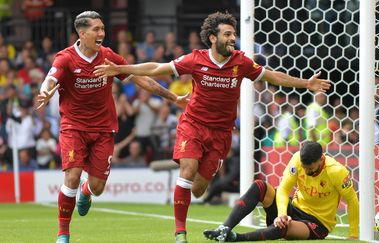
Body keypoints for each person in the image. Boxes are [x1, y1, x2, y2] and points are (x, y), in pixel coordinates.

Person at [93, 11, 331, 243]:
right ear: (213, 37)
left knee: (198, 189)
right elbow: (158, 68)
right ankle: (180, 233)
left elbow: (272, 77)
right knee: (187, 171)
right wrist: (122, 69)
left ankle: (191, 187)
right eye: (227, 34)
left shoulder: (241, 62)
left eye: (233, 34)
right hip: (193, 124)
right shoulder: (195, 59)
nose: (232, 38)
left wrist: (305, 83)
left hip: (221, 133)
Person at [36, 11, 188, 243]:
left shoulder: (108, 57)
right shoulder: (65, 58)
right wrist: (44, 92)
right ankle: (63, 234)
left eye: (103, 29)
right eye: (96, 29)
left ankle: (87, 192)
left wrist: (173, 98)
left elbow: (141, 78)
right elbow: (50, 80)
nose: (102, 34)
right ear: (82, 33)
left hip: (103, 129)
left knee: (97, 187)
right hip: (73, 127)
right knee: (72, 176)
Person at [203, 141, 359, 241]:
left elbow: (352, 201)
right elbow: (284, 189)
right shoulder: (297, 159)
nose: (306, 171)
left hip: (317, 223)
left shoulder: (336, 172)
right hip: (294, 208)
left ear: (320, 160)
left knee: (284, 227)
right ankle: (224, 229)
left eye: (310, 168)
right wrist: (282, 213)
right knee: (260, 186)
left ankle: (236, 238)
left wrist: (353, 234)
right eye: (304, 168)